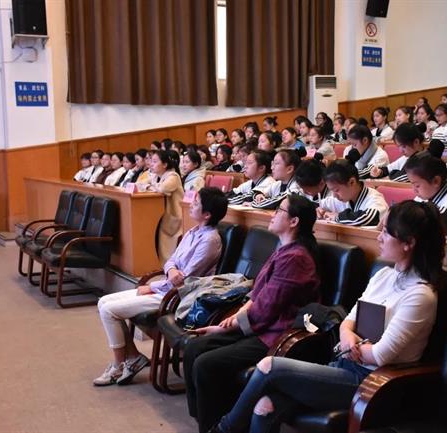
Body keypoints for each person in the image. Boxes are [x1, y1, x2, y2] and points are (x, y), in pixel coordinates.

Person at [207, 200, 445, 433]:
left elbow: (381, 355)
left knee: (268, 365)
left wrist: (350, 344)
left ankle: (225, 428)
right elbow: (349, 320)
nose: (379, 237)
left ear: (409, 243)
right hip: (344, 365)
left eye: (386, 232)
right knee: (265, 406)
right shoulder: (383, 275)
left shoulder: (420, 295)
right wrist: (349, 338)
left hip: (373, 383)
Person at [183, 194, 321, 433]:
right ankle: (206, 421)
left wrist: (231, 325)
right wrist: (232, 320)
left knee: (206, 363)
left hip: (276, 334)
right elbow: (258, 293)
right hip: (261, 324)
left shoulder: (296, 257)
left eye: (279, 210)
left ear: (294, 221)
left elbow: (268, 307)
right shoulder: (284, 249)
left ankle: (218, 427)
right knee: (194, 347)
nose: (273, 214)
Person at [93, 187, 228, 387]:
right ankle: (133, 357)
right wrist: (170, 271)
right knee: (103, 302)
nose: (191, 205)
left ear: (207, 214)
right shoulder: (193, 231)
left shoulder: (210, 240)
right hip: (167, 289)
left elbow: (185, 279)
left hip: (177, 297)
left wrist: (154, 286)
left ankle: (118, 365)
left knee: (108, 310)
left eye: (196, 203)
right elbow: (170, 261)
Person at [405, 153, 447, 227]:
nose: (414, 190)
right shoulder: (425, 195)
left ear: (436, 181)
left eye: (417, 186)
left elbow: (439, 224)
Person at [317, 160, 388, 226]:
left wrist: (338, 217)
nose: (334, 195)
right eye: (331, 190)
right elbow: (318, 204)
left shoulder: (375, 199)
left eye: (336, 190)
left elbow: (371, 217)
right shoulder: (341, 198)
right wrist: (317, 210)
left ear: (352, 182)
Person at [147, 150, 185, 263]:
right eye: (151, 161)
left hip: (174, 217)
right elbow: (140, 184)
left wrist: (151, 186)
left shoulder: (173, 176)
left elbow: (163, 189)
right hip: (160, 214)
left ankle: (168, 266)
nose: (151, 164)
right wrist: (152, 186)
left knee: (166, 249)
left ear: (164, 164)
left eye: (155, 161)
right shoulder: (156, 176)